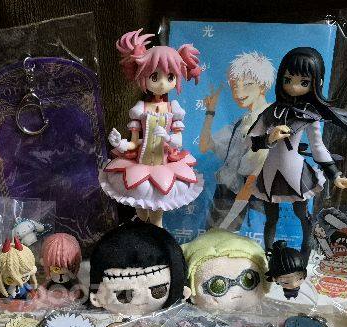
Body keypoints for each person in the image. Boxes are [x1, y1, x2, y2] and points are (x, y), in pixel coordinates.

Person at [247, 47, 347, 259]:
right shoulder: (271, 111)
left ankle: (306, 249)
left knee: (302, 214)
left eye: (303, 82)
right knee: (271, 217)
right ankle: (268, 253)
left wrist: (335, 174)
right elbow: (252, 141)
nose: (294, 87)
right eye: (288, 80)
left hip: (296, 172)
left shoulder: (309, 116)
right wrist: (269, 138)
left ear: (315, 83)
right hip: (270, 172)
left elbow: (318, 147)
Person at [101, 29, 203, 226]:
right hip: (140, 164)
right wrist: (120, 144)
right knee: (140, 209)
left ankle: (157, 236)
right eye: (155, 77)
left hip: (164, 164)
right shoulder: (140, 109)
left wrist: (167, 137)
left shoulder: (174, 109)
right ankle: (142, 233)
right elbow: (134, 143)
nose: (163, 83)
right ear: (143, 77)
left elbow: (178, 141)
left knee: (157, 216)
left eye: (170, 77)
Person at [199, 52, 276, 229]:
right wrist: (210, 112)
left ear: (263, 86)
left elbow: (251, 179)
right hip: (225, 194)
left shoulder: (270, 121)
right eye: (235, 86)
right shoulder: (241, 122)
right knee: (212, 239)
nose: (239, 92)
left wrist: (226, 223)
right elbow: (205, 146)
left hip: (248, 201)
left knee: (228, 242)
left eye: (247, 84)